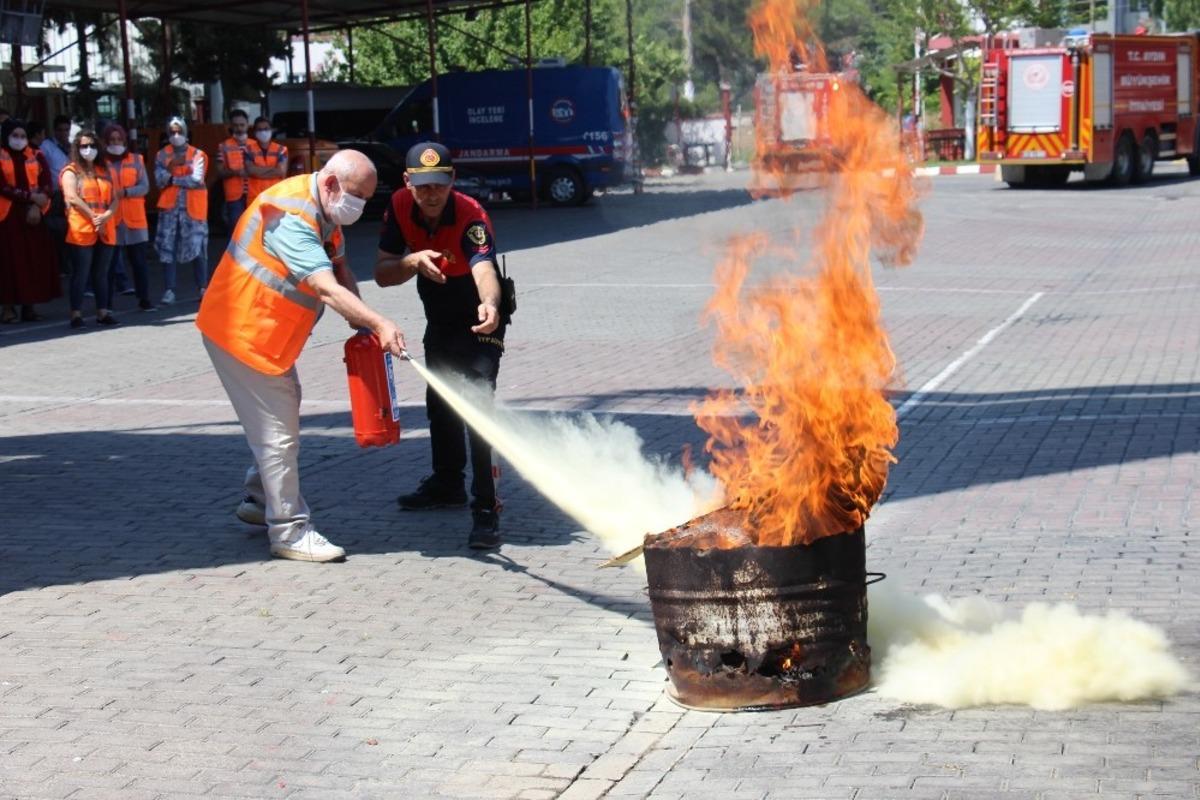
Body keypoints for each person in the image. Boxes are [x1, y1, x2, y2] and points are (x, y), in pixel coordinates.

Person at [196, 150, 407, 563]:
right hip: (241, 335)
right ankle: (290, 531)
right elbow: (325, 286)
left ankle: (261, 498)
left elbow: (341, 269)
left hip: (265, 339)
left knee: (284, 414)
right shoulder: (290, 216)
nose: (359, 207)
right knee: (278, 434)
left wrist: (362, 321)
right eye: (356, 197)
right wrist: (379, 323)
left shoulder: (324, 210)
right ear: (330, 184)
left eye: (365, 199)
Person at [373, 141, 507, 550]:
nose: (431, 194)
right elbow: (382, 274)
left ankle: (486, 508)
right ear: (407, 182)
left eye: (439, 185)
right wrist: (411, 262)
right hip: (439, 311)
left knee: (478, 403)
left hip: (479, 312)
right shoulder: (397, 206)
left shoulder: (471, 216)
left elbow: (483, 268)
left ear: (452, 181)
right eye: (422, 185)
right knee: (442, 400)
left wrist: (490, 303)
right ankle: (447, 483)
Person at [0, 118, 60, 323]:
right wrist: (30, 197)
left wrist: (36, 205)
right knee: (8, 263)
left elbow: (46, 184)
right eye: (14, 136)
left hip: (33, 217)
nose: (19, 140)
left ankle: (29, 306)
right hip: (7, 217)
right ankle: (8, 308)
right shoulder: (1, 155)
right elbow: (3, 186)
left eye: (22, 136)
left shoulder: (37, 155)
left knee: (33, 261)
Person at [61, 128, 119, 328]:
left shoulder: (106, 169)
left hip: (105, 226)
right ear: (77, 148)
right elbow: (72, 197)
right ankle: (76, 314)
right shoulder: (71, 171)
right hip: (82, 228)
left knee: (101, 273)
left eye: (92, 146)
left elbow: (115, 198)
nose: (89, 150)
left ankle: (103, 312)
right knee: (81, 272)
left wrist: (107, 215)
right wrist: (94, 217)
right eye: (84, 146)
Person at [154, 116, 208, 305]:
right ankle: (169, 290)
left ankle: (202, 287)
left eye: (179, 132)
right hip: (170, 210)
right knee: (168, 249)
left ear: (186, 132)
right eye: (172, 132)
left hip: (193, 210)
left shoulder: (198, 154)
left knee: (198, 249)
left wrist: (173, 178)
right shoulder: (162, 155)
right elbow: (159, 179)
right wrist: (171, 168)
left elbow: (196, 180)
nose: (176, 136)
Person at [103, 123, 155, 311]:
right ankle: (106, 303)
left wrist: (124, 192)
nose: (115, 143)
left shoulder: (136, 159)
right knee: (109, 265)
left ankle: (144, 299)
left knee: (139, 263)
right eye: (111, 140)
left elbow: (145, 186)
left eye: (118, 139)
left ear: (124, 141)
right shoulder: (101, 162)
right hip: (112, 219)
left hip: (135, 219)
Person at [216, 109, 251, 231]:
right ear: (231, 126)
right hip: (234, 196)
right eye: (236, 125)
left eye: (242, 125)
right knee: (237, 231)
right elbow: (219, 172)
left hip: (254, 193)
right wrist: (235, 172)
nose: (239, 128)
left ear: (247, 124)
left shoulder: (255, 145)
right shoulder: (224, 146)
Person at [245, 116, 288, 204]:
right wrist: (273, 169)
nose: (263, 132)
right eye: (260, 129)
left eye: (266, 129)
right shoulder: (248, 150)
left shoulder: (281, 149)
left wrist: (258, 171)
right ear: (255, 132)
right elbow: (251, 171)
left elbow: (280, 171)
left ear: (271, 130)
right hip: (255, 198)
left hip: (276, 197)